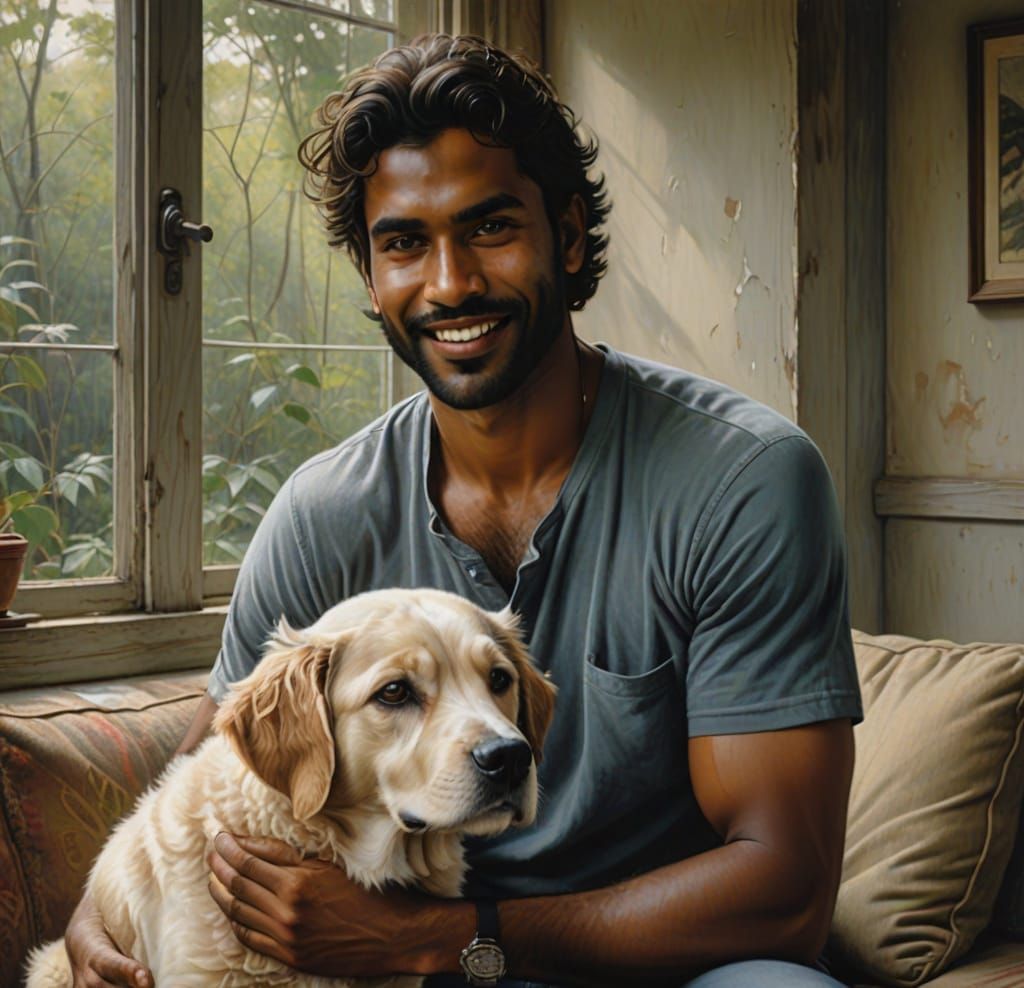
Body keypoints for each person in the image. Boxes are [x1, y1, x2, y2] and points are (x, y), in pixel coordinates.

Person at [63, 33, 862, 988]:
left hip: (656, 959)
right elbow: (209, 780)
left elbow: (786, 893)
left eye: (489, 227)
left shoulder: (745, 483)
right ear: (372, 277)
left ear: (566, 236)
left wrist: (438, 940)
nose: (450, 285)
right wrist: (100, 909)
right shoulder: (324, 512)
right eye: (404, 243)